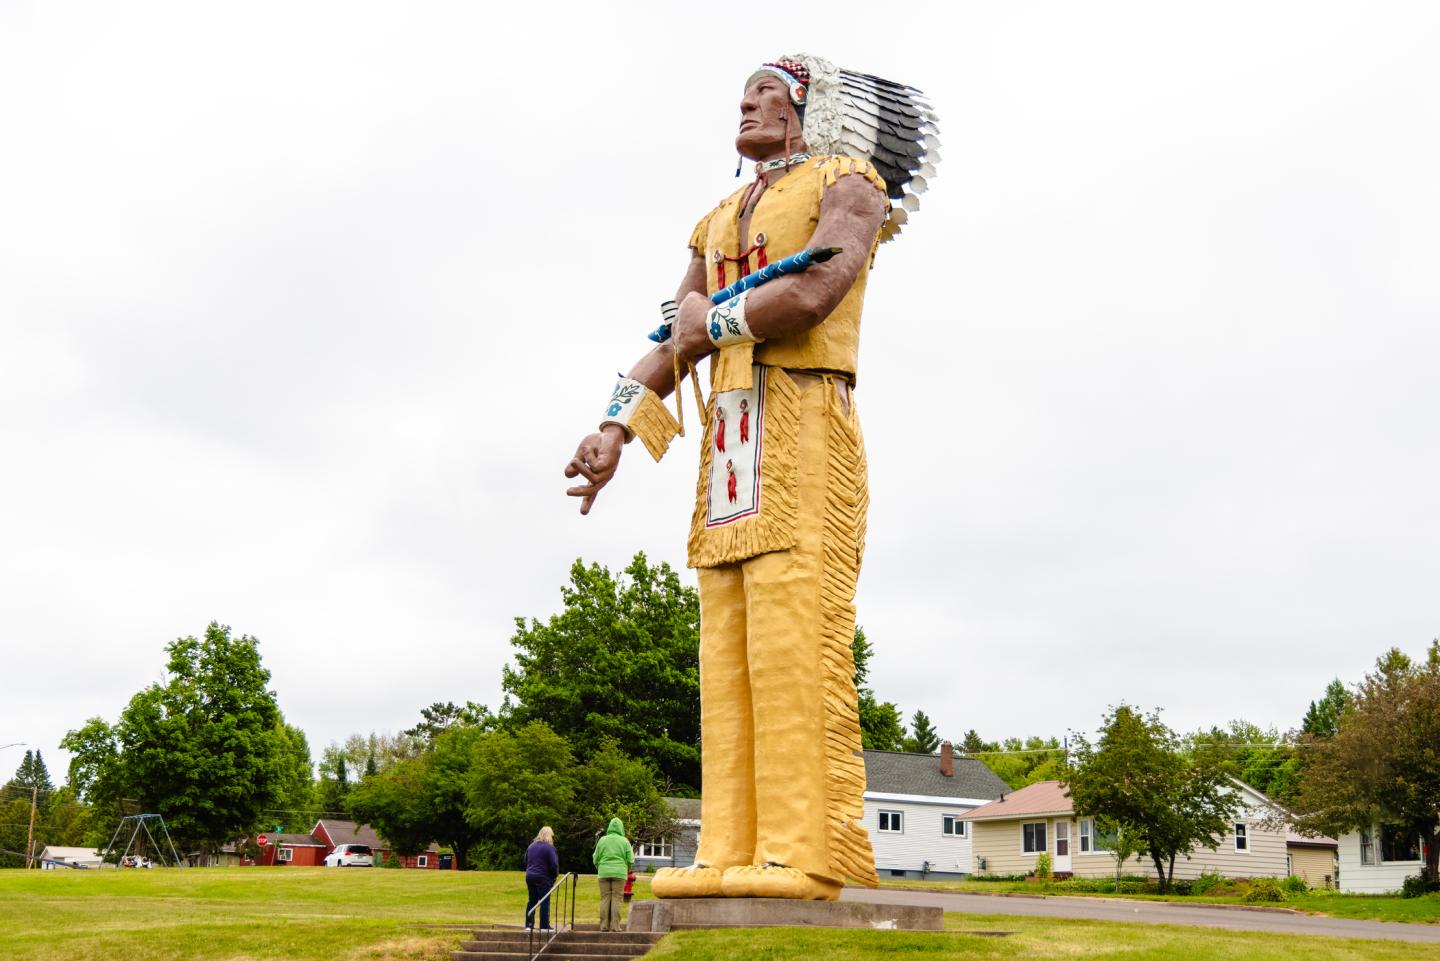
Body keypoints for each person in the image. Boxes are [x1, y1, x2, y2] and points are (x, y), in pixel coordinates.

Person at [564, 55, 937, 902]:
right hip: (728, 444)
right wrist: (614, 426)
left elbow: (814, 290)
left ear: (808, 106)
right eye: (744, 94)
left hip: (803, 421)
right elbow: (672, 336)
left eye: (768, 91)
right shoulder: (716, 221)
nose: (749, 102)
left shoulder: (850, 183)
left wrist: (714, 319)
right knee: (723, 644)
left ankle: (800, 849)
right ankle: (727, 844)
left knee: (790, 631)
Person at [591, 817, 635, 931]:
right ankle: (615, 926)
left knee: (605, 898)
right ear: (621, 828)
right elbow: (631, 860)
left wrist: (600, 868)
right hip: (619, 873)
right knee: (616, 898)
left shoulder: (602, 840)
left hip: (603, 873)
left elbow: (595, 858)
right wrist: (625, 869)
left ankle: (604, 925)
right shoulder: (624, 841)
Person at [524, 826, 559, 931]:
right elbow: (554, 865)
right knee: (544, 900)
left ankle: (528, 925)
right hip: (543, 877)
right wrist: (553, 877)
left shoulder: (531, 846)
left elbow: (525, 860)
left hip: (530, 876)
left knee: (532, 900)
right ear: (549, 836)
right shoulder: (550, 848)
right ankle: (544, 925)